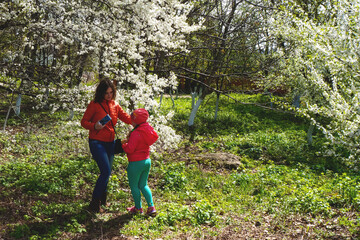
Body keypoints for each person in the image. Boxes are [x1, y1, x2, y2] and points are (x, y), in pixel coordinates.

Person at [81, 79, 132, 213]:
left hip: (110, 143)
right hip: (96, 142)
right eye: (106, 93)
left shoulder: (115, 105)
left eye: (111, 92)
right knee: (105, 171)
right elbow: (83, 122)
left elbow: (127, 118)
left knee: (107, 173)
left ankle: (102, 201)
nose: (109, 95)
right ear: (101, 92)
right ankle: (94, 204)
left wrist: (140, 121)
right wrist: (94, 126)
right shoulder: (94, 104)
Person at [122, 108, 158, 216]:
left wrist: (122, 145)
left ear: (135, 121)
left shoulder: (136, 133)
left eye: (132, 119)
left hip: (135, 163)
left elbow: (130, 149)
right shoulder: (147, 130)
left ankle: (138, 208)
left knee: (134, 186)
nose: (131, 121)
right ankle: (151, 207)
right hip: (146, 161)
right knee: (143, 184)